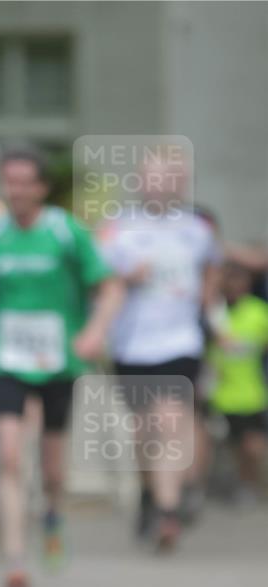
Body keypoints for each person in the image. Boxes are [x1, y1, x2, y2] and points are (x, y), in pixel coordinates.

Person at [0, 147, 123, 587]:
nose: (18, 190)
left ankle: (52, 514)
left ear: (41, 187)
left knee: (52, 469)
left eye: (26, 182)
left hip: (60, 361)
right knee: (9, 455)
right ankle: (15, 560)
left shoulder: (66, 232)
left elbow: (110, 287)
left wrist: (94, 332)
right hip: (8, 360)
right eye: (10, 181)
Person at [99, 152, 221, 550]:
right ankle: (150, 493)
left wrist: (210, 315)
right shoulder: (118, 227)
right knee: (146, 430)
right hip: (133, 345)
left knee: (170, 421)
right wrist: (124, 277)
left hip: (181, 341)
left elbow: (212, 270)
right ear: (140, 181)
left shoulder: (196, 229)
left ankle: (168, 512)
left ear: (182, 183)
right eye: (153, 177)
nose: (160, 185)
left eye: (169, 178)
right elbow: (95, 278)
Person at [208, 261, 268, 503]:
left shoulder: (258, 311)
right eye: (229, 279)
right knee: (232, 445)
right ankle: (244, 485)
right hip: (220, 393)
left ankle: (254, 483)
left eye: (239, 279)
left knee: (253, 444)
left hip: (252, 392)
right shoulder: (213, 313)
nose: (233, 285)